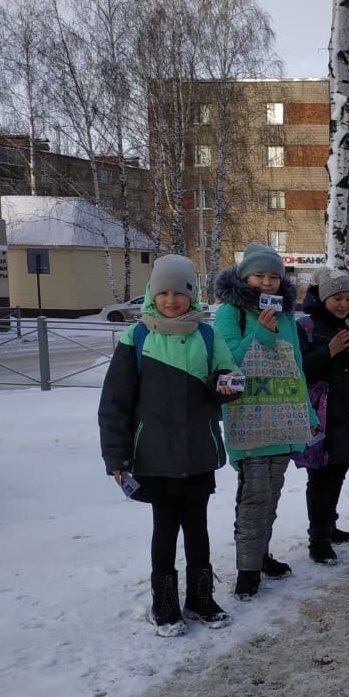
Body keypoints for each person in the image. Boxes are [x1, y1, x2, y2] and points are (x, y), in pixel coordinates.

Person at [98, 256, 242, 637]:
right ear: (151, 294)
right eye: (163, 292)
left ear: (191, 295)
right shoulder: (137, 337)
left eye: (179, 292)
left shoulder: (208, 336)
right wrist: (116, 456)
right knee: (164, 530)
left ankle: (200, 597)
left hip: (198, 453)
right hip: (154, 455)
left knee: (198, 528)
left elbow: (228, 378)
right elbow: (115, 403)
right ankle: (163, 603)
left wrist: (227, 384)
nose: (171, 300)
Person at [213, 243, 315, 601]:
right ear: (244, 277)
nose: (267, 283)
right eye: (259, 276)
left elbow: (295, 368)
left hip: (283, 419)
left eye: (274, 277)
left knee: (271, 495)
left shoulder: (286, 315)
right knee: (254, 496)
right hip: (251, 419)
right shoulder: (230, 313)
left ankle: (261, 555)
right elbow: (229, 362)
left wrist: (309, 413)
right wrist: (260, 331)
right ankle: (247, 569)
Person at [297, 269, 349, 565]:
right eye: (336, 298)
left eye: (348, 298)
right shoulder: (305, 327)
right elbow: (300, 370)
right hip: (320, 414)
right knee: (320, 477)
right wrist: (328, 352)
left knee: (338, 472)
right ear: (322, 297)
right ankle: (317, 539)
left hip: (347, 411)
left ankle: (329, 526)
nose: (343, 304)